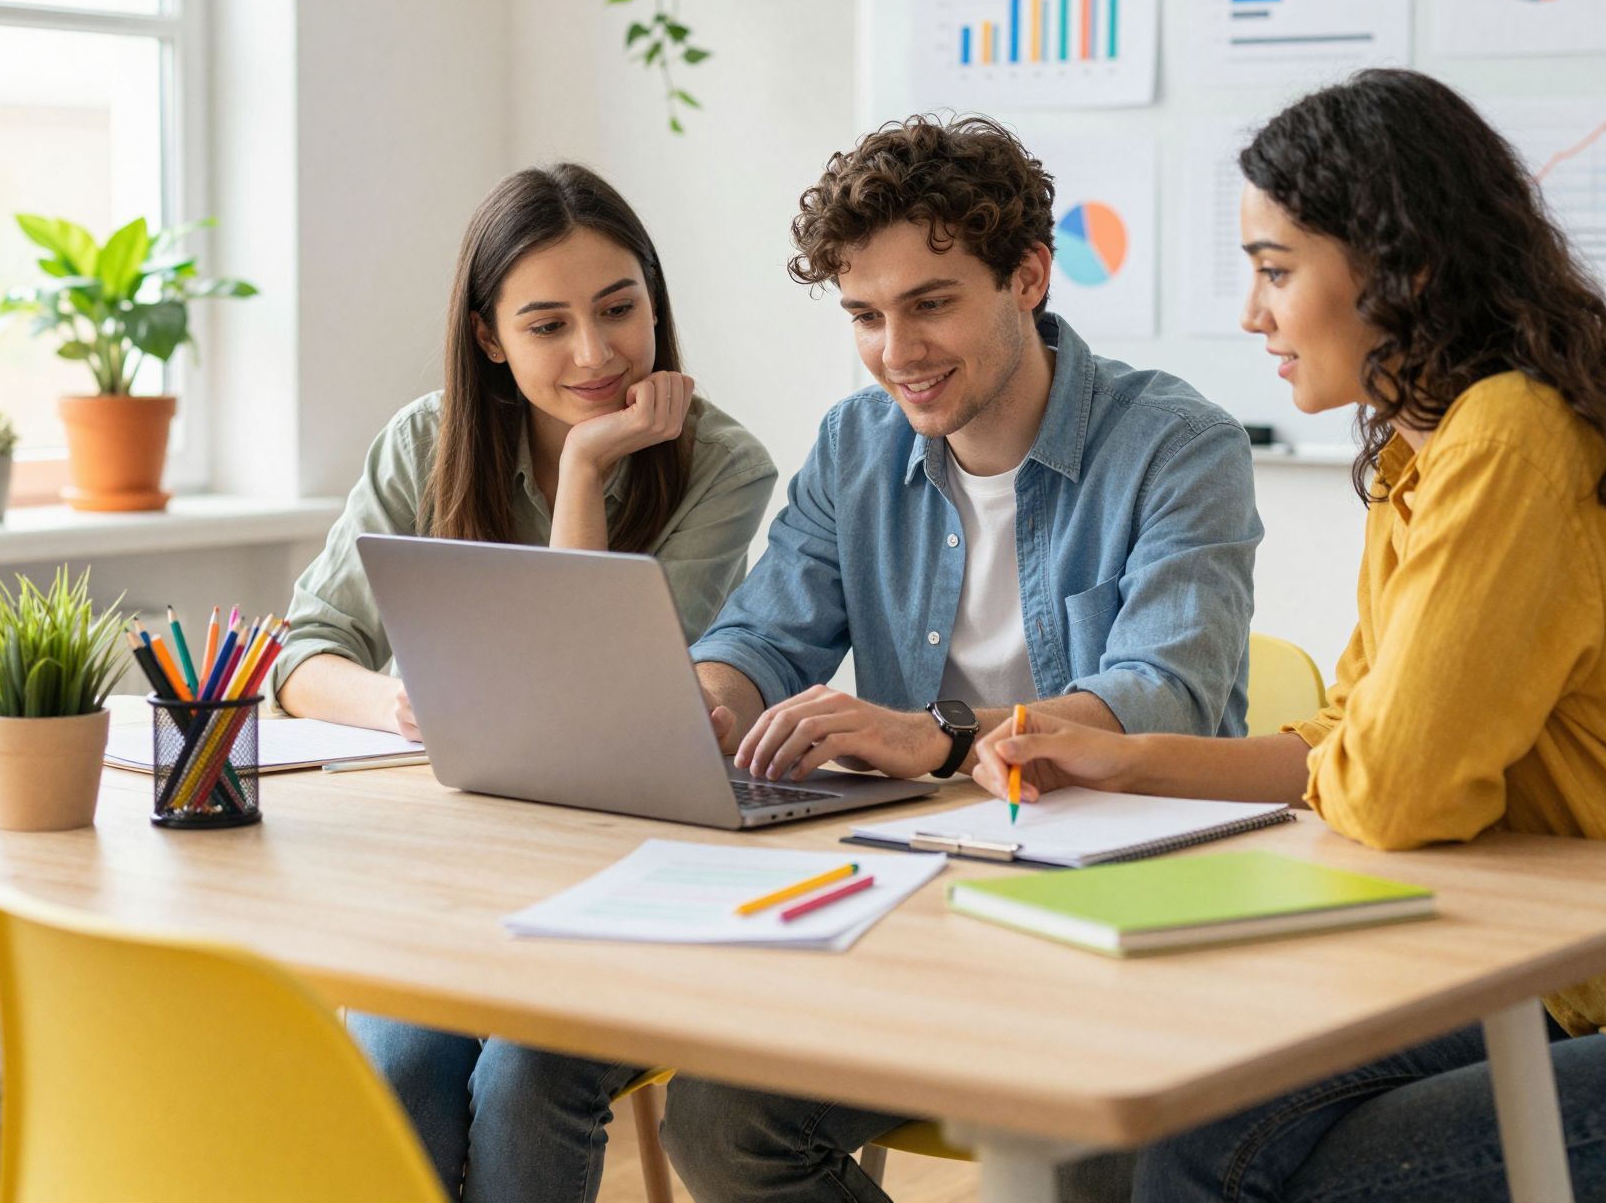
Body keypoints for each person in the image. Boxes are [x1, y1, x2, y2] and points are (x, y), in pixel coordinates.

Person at [967, 70, 1606, 1203]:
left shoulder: (1509, 443)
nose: (1251, 314)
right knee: (1193, 1132)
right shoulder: (1417, 453)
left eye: (1276, 271)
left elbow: (1394, 792)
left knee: (1263, 1171)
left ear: (1400, 269)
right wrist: (1127, 760)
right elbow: (1354, 741)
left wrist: (1353, 762)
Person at [659, 114, 1263, 1203]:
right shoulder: (855, 445)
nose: (898, 351)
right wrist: (704, 698)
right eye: (865, 316)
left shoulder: (1179, 445)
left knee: (1096, 1158)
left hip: (1135, 904)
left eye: (930, 303)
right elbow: (762, 631)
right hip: (924, 899)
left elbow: (1155, 693)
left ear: (1026, 277)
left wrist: (936, 739)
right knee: (720, 1120)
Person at [274, 162, 777, 1203]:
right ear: (489, 338)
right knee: (399, 1064)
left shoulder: (722, 463)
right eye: (546, 325)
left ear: (654, 305)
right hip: (451, 868)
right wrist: (395, 705)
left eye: (618, 310)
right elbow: (300, 651)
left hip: (627, 870)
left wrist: (590, 467)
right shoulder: (427, 441)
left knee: (517, 1083)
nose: (594, 354)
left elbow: (595, 704)